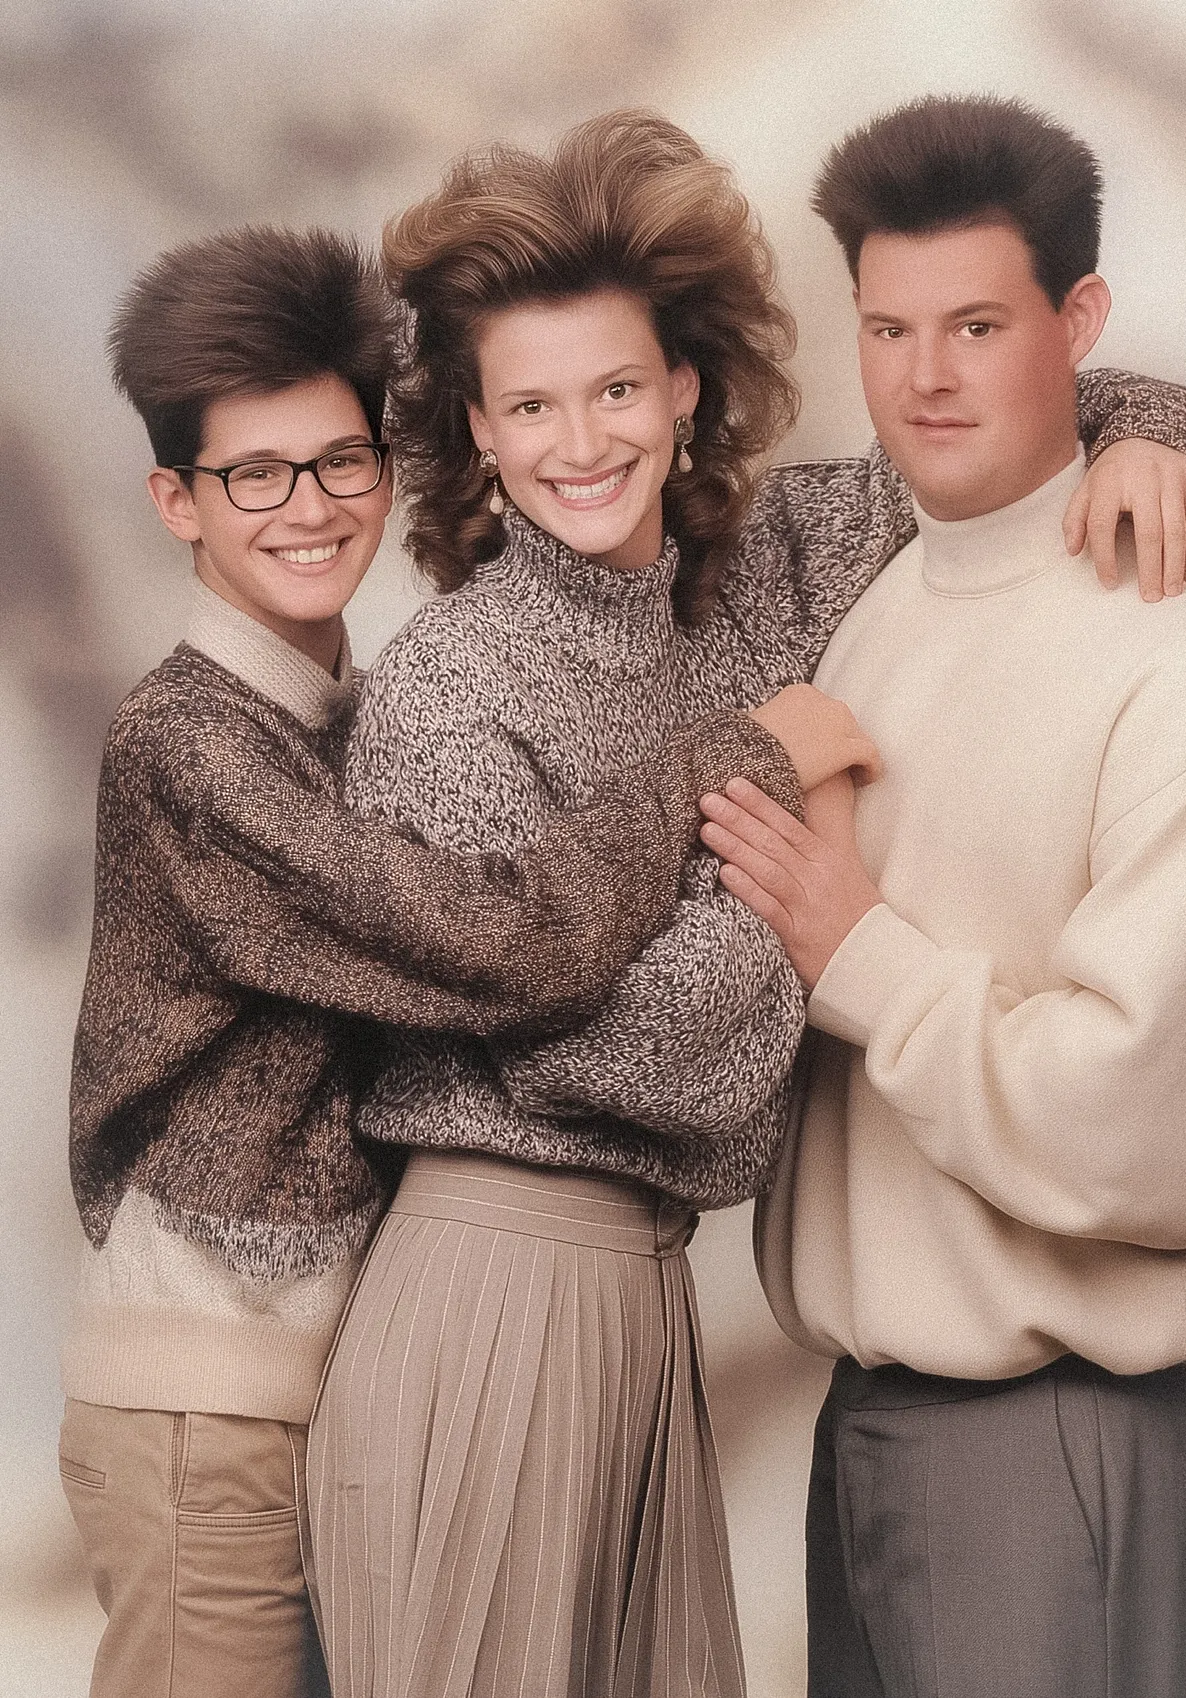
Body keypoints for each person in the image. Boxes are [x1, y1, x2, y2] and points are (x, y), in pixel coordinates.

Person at [306, 111, 1186, 1698]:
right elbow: (610, 1058)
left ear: (684, 389)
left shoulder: (765, 565)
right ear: (473, 431)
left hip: (641, 1299)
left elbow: (1002, 427)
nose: (581, 441)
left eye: (615, 387)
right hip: (484, 1292)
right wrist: (789, 819)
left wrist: (1164, 434)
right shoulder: (447, 693)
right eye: (527, 405)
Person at [58, 223, 868, 1698]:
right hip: (209, 1405)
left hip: (327, 1362)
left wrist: (1139, 432)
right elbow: (498, 947)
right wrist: (739, 763)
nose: (307, 507)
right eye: (254, 475)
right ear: (177, 500)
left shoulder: (333, 710)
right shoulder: (189, 749)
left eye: (339, 461)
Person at [697, 95, 1186, 1698]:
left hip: (1054, 1437)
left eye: (978, 324)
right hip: (872, 1417)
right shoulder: (867, 600)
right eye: (889, 327)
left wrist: (860, 952)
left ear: (1079, 323)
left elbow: (1153, 1125)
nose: (925, 375)